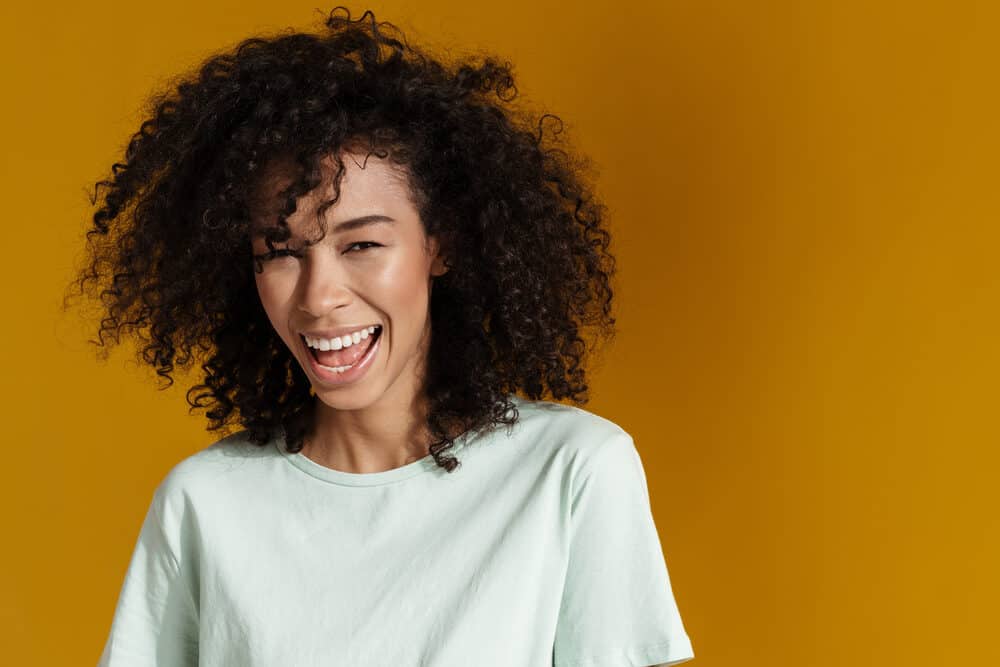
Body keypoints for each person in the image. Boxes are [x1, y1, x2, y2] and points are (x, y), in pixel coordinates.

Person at [71, 7, 695, 666]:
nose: (318, 296)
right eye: (281, 252)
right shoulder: (204, 505)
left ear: (439, 245)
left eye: (362, 243)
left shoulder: (570, 472)